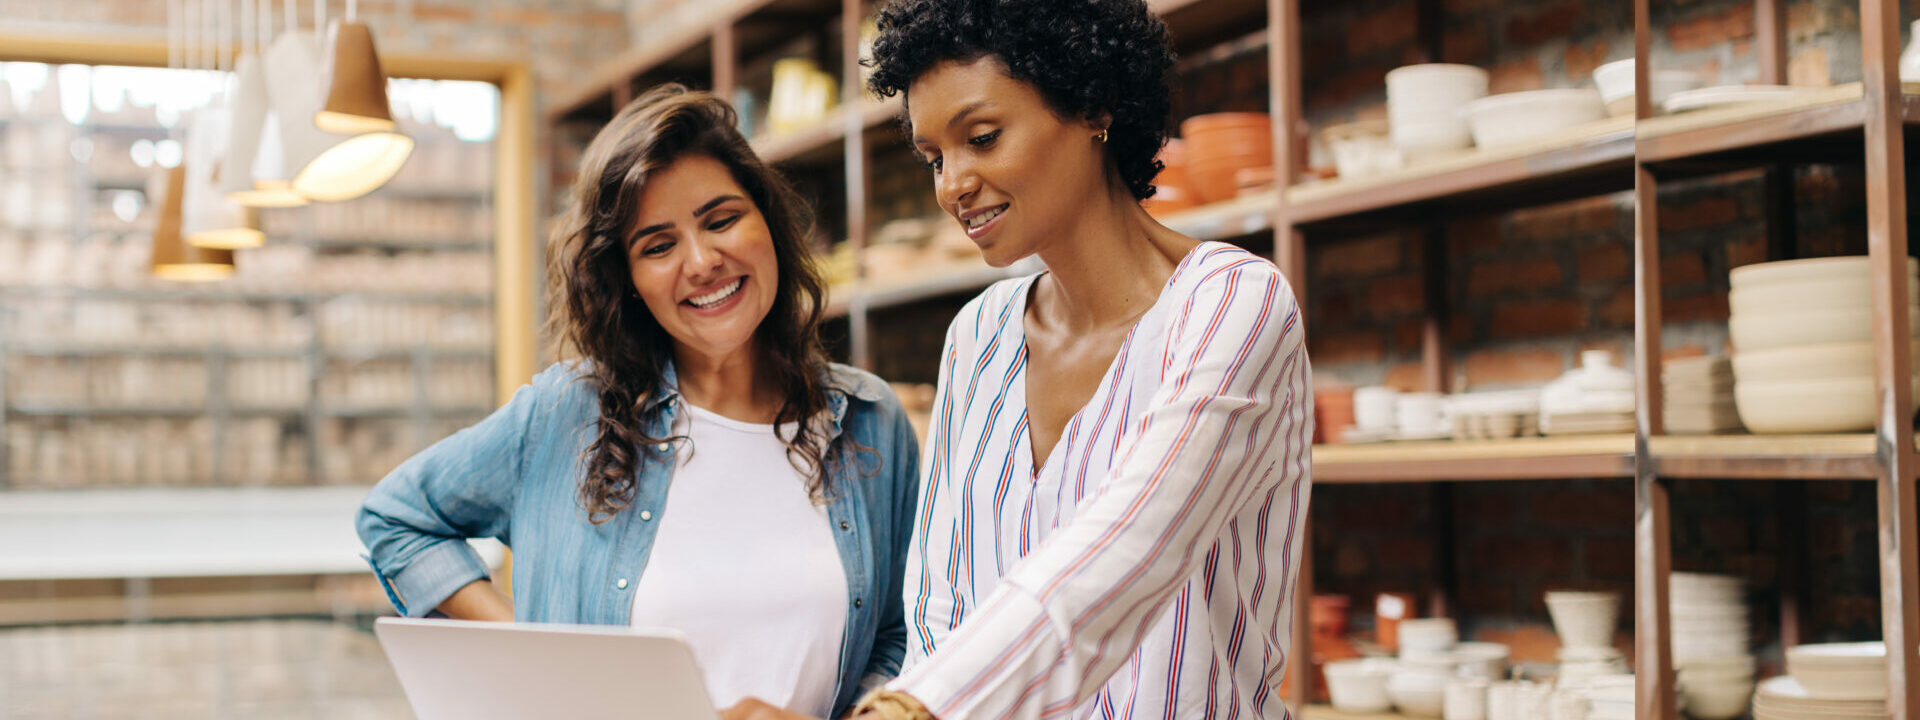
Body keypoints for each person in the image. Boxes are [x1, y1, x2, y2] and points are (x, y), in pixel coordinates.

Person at [723, 1, 1313, 719]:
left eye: (982, 137)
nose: (952, 185)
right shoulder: (980, 334)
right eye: (935, 158)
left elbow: (1129, 554)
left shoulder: (1232, 306)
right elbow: (942, 603)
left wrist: (911, 711)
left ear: (1093, 107)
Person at [356, 84, 921, 720]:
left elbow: (901, 633)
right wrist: (533, 654)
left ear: (769, 223)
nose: (703, 261)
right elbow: (397, 520)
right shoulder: (567, 414)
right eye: (658, 245)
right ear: (627, 282)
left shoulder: (870, 420)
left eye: (721, 219)